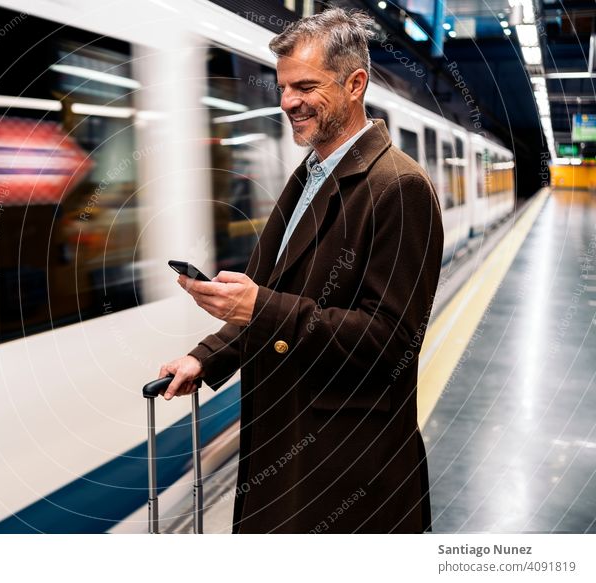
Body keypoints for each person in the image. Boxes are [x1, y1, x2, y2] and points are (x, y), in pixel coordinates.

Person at [158, 7, 443, 533]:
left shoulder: (398, 188)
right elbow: (276, 296)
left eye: (306, 85)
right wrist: (207, 357)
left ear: (355, 83)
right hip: (286, 442)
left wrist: (259, 306)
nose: (288, 101)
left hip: (344, 466)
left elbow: (391, 341)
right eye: (283, 87)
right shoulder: (308, 175)